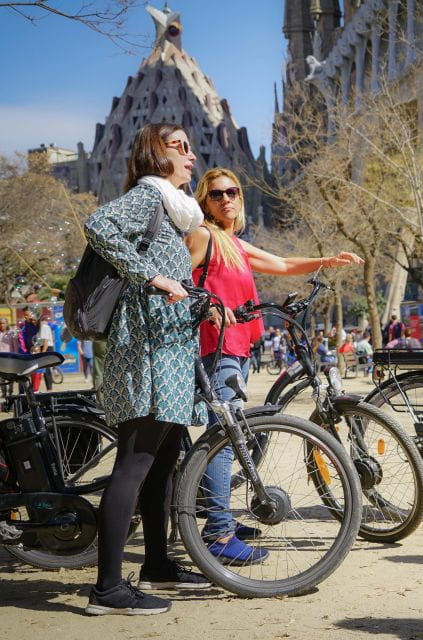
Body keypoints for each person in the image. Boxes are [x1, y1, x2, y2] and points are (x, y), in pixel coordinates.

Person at [186, 167, 362, 565]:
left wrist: (328, 261)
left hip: (237, 348)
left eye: (232, 192)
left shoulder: (232, 242)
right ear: (204, 201)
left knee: (228, 435)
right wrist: (208, 308)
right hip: (216, 348)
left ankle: (218, 516)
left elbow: (281, 264)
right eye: (216, 194)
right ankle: (218, 533)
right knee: (223, 440)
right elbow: (178, 281)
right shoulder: (202, 236)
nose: (226, 199)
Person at [83, 122, 209, 615]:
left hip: (169, 355)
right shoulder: (148, 197)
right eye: (180, 147)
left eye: (190, 146)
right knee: (134, 464)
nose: (191, 155)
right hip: (146, 358)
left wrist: (197, 299)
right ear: (156, 154)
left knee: (162, 462)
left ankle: (156, 561)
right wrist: (150, 275)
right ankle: (108, 590)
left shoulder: (174, 212)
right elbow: (98, 226)